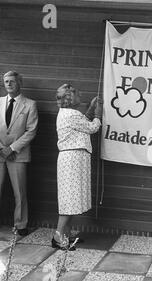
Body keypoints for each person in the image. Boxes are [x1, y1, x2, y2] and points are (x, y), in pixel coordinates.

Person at [0, 71, 38, 237]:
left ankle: (21, 225)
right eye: (6, 81)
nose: (8, 84)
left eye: (12, 81)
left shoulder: (30, 104)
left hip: (18, 155)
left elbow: (31, 131)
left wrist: (11, 148)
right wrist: (0, 148)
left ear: (20, 83)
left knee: (20, 191)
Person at [51, 84, 102, 250]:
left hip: (73, 158)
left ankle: (66, 232)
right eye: (77, 94)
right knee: (69, 199)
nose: (80, 96)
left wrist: (91, 108)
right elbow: (92, 127)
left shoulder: (69, 113)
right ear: (70, 98)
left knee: (72, 197)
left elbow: (82, 123)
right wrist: (98, 114)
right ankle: (58, 236)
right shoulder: (71, 114)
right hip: (72, 159)